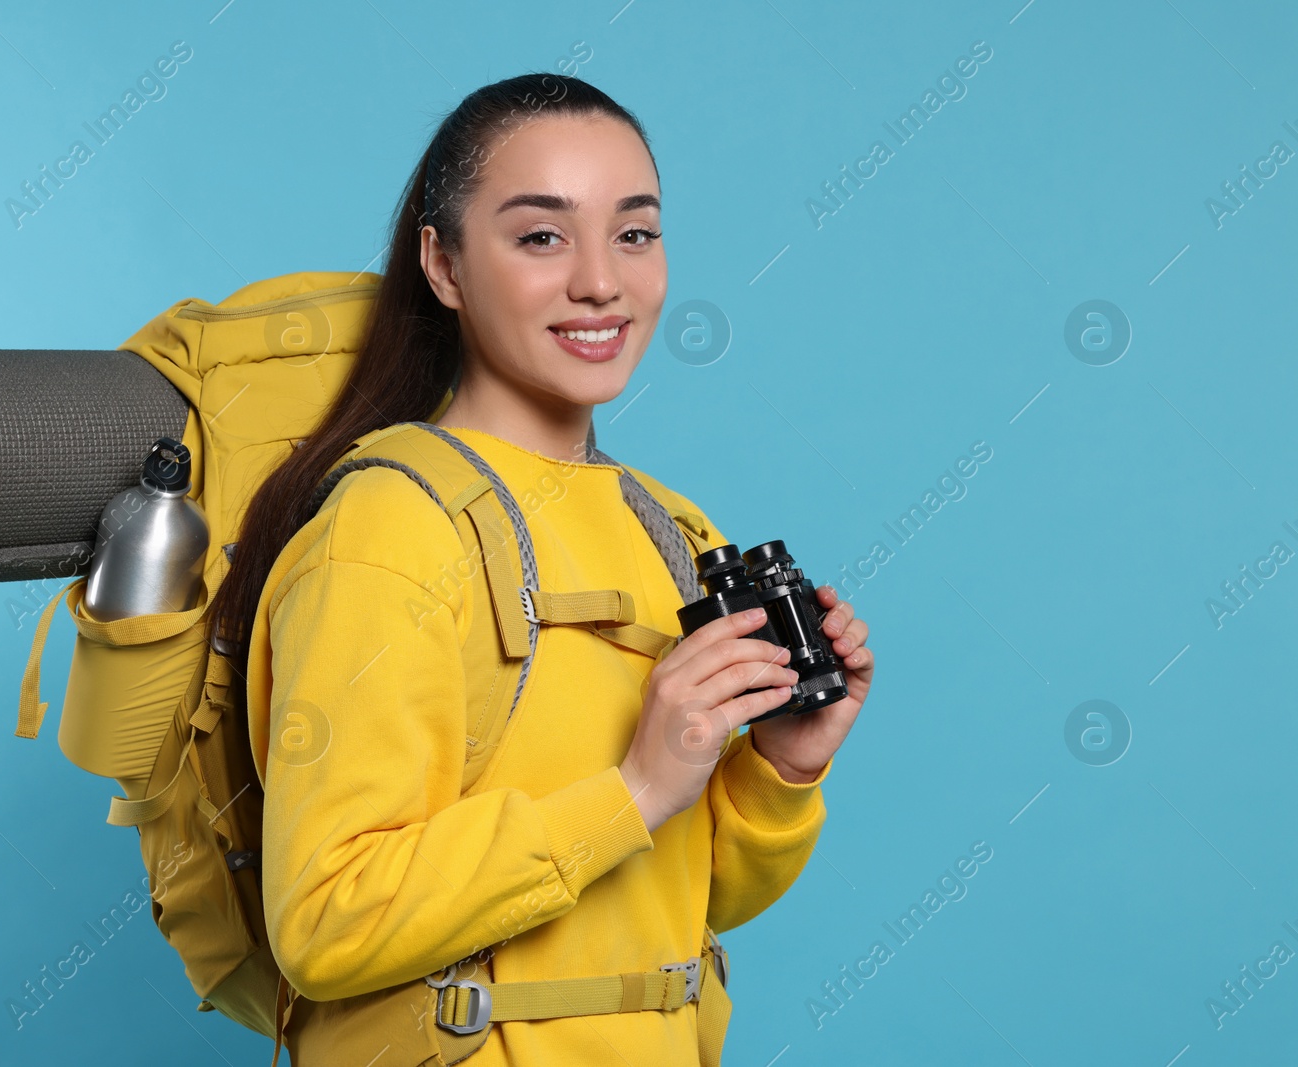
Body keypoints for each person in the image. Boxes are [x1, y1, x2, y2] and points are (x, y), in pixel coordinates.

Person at [212, 72, 873, 1065]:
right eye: (540, 236)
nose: (601, 281)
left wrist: (782, 763)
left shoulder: (670, 526)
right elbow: (325, 919)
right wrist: (634, 787)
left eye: (634, 233)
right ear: (442, 263)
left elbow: (685, 898)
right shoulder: (388, 528)